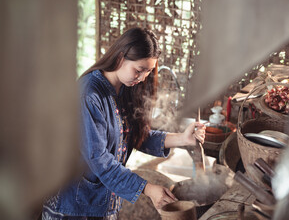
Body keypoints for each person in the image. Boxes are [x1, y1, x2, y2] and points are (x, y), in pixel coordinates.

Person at [42, 27, 206, 219]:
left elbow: (134, 135)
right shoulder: (88, 95)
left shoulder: (124, 90)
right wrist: (147, 188)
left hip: (103, 204)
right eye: (139, 70)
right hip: (73, 208)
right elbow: (100, 160)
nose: (143, 77)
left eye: (148, 71)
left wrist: (182, 139)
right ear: (120, 57)